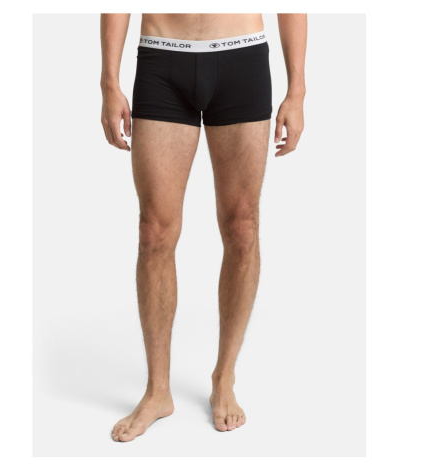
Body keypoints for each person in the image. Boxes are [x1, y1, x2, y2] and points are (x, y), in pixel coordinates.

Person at [100, 13, 307, 442]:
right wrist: (109, 81)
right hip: (162, 56)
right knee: (154, 231)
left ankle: (224, 377)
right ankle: (158, 391)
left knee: (242, 226)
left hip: (241, 56)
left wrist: (297, 89)